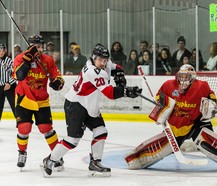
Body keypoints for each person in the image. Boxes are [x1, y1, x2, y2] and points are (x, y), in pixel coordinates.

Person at [40, 43, 142, 177]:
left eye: (105, 60)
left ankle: (95, 162)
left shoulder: (102, 63)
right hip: (76, 105)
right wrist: (126, 91)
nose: (104, 63)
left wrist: (120, 76)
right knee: (73, 140)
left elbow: (116, 67)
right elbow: (110, 93)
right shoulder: (92, 72)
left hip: (89, 105)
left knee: (101, 131)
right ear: (94, 58)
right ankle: (50, 160)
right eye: (101, 60)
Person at [125, 64, 217, 171]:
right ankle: (135, 159)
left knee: (209, 143)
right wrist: (161, 108)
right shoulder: (168, 85)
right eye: (181, 76)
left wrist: (211, 105)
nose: (183, 79)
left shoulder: (201, 87)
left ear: (192, 78)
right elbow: (159, 97)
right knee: (163, 147)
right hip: (176, 125)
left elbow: (211, 97)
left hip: (195, 122)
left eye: (186, 77)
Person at [12, 34, 65, 170]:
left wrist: (58, 82)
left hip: (41, 99)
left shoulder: (48, 60)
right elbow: (19, 76)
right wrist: (27, 60)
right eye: (37, 47)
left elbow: (57, 76)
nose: (40, 49)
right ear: (30, 47)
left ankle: (56, 156)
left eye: (42, 46)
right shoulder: (20, 58)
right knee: (24, 128)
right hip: (24, 98)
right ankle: (22, 153)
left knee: (46, 128)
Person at [0, 44, 16, 122]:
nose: (1, 52)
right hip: (0, 87)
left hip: (10, 86)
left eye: (3, 51)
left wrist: (9, 82)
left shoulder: (9, 61)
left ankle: (20, 122)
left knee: (14, 104)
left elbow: (15, 73)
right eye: (0, 51)